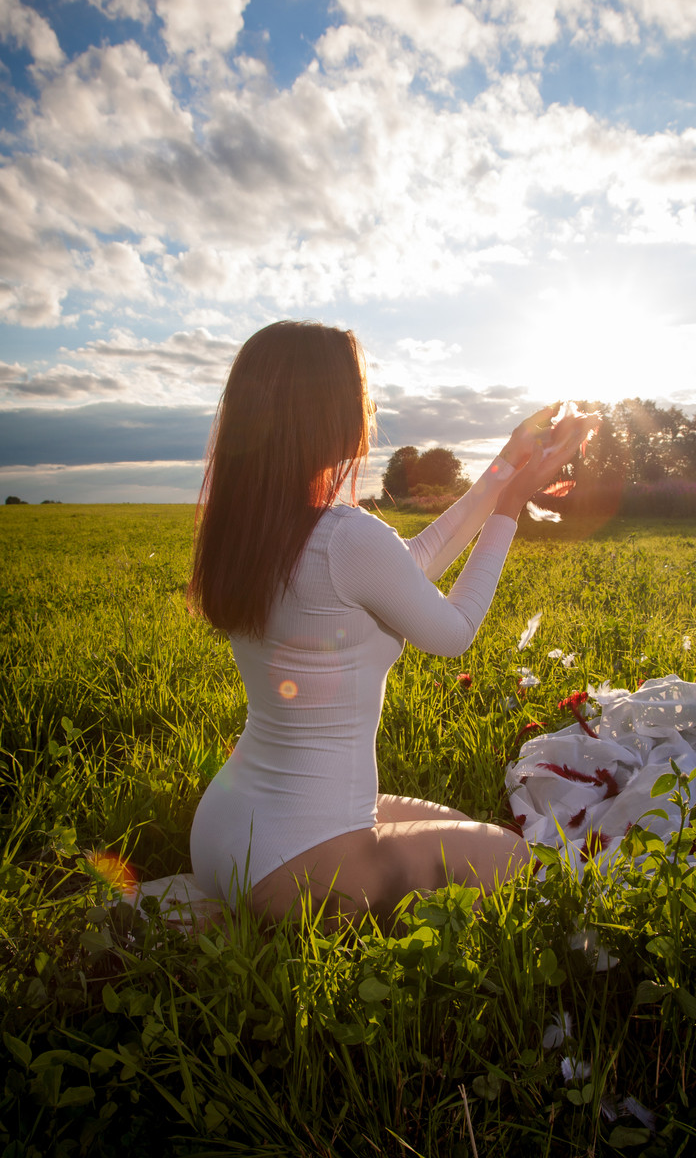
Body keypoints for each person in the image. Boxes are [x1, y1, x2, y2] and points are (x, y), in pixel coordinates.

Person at [188, 319, 593, 927]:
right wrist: (512, 504)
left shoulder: (251, 531)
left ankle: (221, 906)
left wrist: (508, 465)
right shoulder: (343, 535)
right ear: (327, 410)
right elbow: (453, 632)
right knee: (511, 858)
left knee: (466, 828)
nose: (368, 406)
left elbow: (412, 562)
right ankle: (273, 917)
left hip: (224, 833)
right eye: (358, 391)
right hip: (296, 867)